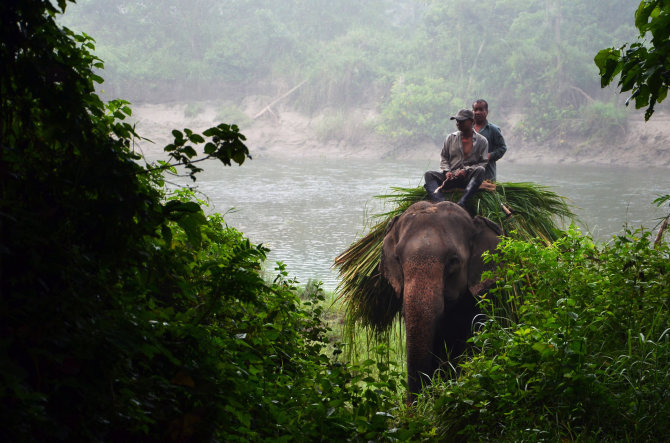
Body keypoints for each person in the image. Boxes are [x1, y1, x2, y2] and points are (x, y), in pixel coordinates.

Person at [424, 109, 488, 208]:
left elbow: (483, 162)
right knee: (428, 174)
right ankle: (440, 202)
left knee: (481, 170)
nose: (458, 124)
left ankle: (462, 202)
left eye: (461, 121)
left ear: (472, 121)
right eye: (457, 121)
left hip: (467, 179)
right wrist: (447, 171)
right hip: (451, 178)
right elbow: (444, 157)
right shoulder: (450, 138)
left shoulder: (482, 141)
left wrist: (466, 171)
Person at [472, 99, 507, 181]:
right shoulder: (467, 129)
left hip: (487, 176)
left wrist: (489, 156)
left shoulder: (493, 130)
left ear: (486, 112)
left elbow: (502, 148)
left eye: (481, 109)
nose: (477, 112)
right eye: (475, 109)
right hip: (469, 175)